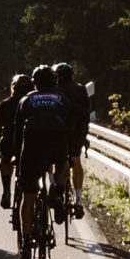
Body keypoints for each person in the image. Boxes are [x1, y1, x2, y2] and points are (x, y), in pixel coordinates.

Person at [13, 65, 70, 246]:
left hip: (32, 145)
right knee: (62, 164)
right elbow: (72, 122)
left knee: (28, 197)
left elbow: (17, 132)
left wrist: (16, 156)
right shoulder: (62, 98)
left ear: (35, 83)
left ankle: (27, 242)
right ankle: (58, 192)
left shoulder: (26, 99)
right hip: (56, 142)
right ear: (55, 82)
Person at [55, 60, 91, 218]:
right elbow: (86, 114)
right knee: (76, 160)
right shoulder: (81, 89)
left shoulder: (54, 90)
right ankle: (78, 201)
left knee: (59, 161)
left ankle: (57, 194)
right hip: (78, 131)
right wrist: (85, 135)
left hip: (60, 131)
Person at [0, 71, 31, 210]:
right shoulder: (30, 102)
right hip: (27, 140)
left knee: (6, 161)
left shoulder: (4, 104)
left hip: (8, 139)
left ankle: (6, 191)